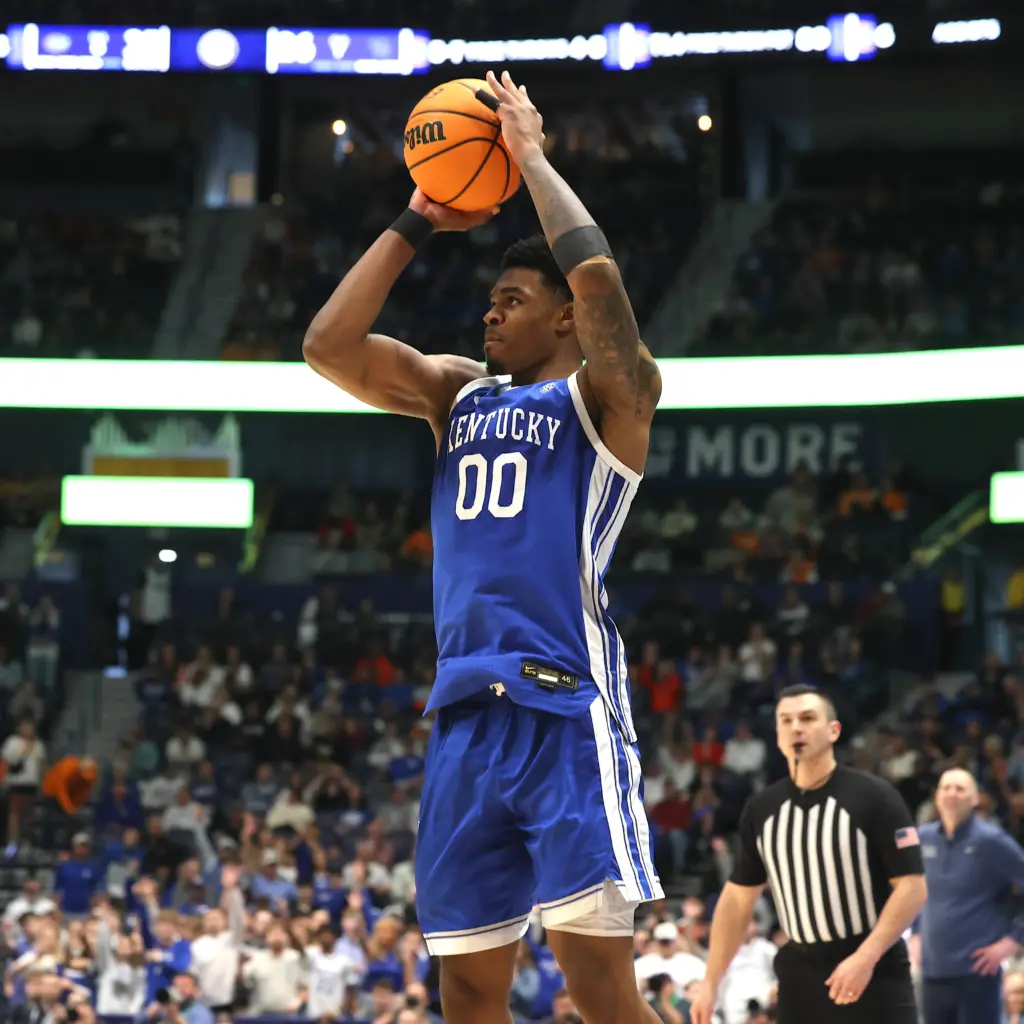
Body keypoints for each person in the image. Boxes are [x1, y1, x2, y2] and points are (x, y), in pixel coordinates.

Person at [304, 68, 663, 1024]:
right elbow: (328, 347)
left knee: (598, 988)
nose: (489, 313)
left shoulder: (608, 399)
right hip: (463, 714)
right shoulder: (456, 393)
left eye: (510, 299)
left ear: (564, 316)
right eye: (489, 302)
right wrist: (418, 216)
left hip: (564, 705)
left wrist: (530, 156)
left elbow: (600, 280)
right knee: (465, 987)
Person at [691, 685, 927, 1024]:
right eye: (786, 721)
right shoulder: (762, 809)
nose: (796, 728)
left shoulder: (875, 797)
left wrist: (866, 956)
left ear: (833, 731)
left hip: (873, 970)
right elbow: (738, 899)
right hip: (800, 976)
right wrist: (711, 980)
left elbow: (912, 888)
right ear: (777, 735)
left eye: (807, 718)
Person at [916, 768, 1024, 1024]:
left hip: (976, 972)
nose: (952, 793)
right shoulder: (921, 836)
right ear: (936, 796)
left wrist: (1013, 940)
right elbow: (909, 885)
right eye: (946, 787)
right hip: (932, 970)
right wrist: (916, 932)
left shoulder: (993, 841)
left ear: (975, 798)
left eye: (960, 788)